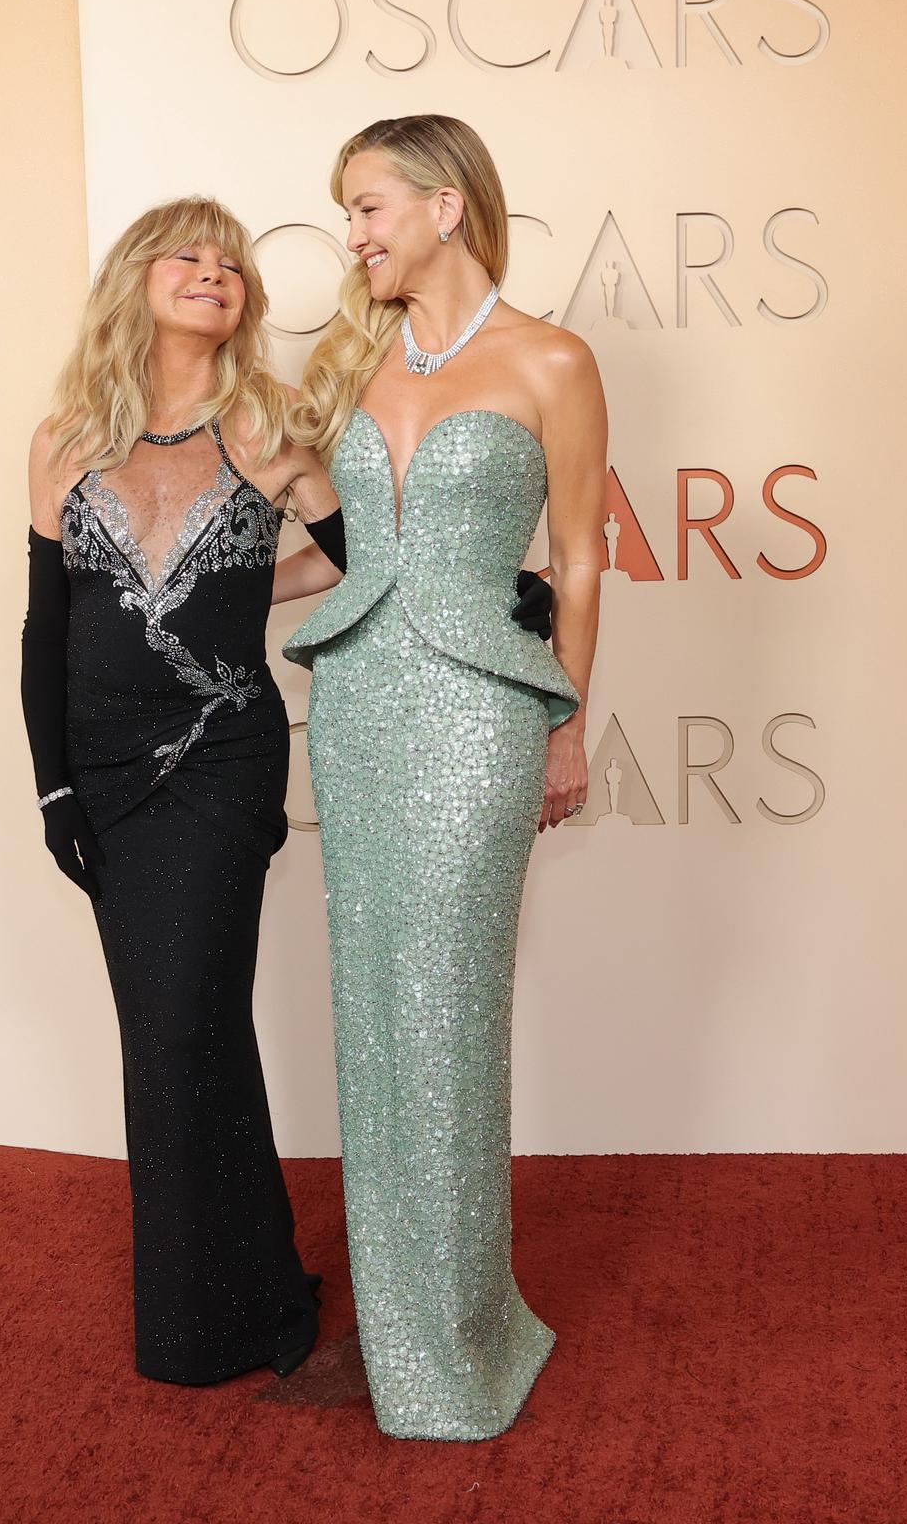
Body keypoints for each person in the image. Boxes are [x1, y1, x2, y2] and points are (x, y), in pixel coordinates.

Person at [17, 196, 551, 1385]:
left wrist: (495, 596)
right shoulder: (64, 438)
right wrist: (54, 791)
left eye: (232, 264)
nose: (215, 273)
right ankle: (257, 1293)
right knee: (173, 1033)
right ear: (136, 280)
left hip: (220, 754)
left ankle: (221, 1320)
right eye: (187, 255)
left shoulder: (268, 427)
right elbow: (44, 626)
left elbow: (374, 554)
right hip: (103, 770)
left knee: (179, 1030)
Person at [282, 116, 605, 1440]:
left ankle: (461, 1326)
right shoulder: (350, 367)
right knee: (373, 1009)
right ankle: (399, 1313)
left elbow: (579, 558)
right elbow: (328, 544)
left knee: (447, 1008)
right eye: (347, 213)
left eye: (366, 207)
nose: (351, 234)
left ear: (444, 207)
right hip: (356, 702)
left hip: (482, 707)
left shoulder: (551, 360)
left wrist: (568, 722)